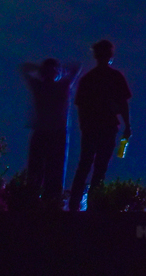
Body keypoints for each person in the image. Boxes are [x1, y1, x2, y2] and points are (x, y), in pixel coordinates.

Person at [69, 39, 132, 210]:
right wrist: (127, 125)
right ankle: (94, 205)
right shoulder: (115, 77)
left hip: (91, 127)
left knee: (84, 165)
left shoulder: (88, 79)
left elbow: (81, 107)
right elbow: (124, 104)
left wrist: (83, 126)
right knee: (99, 168)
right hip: (108, 127)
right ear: (110, 55)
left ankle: (75, 204)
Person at [20, 57, 80, 207]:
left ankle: (31, 202)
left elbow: (24, 68)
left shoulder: (37, 85)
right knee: (56, 170)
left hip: (42, 132)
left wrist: (39, 67)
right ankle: (52, 203)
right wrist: (61, 70)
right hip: (58, 133)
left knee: (36, 170)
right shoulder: (64, 85)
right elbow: (76, 67)